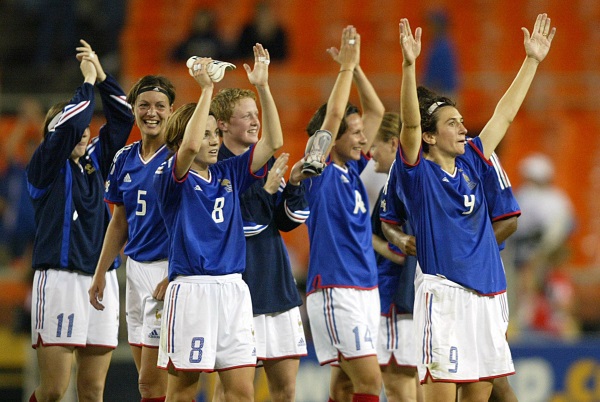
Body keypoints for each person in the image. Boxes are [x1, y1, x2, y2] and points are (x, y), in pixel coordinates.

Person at [393, 14, 555, 400]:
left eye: (462, 121)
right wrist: (409, 66)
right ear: (430, 136)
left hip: (487, 295)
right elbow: (410, 127)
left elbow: (505, 114)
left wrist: (531, 61)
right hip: (444, 296)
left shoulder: (474, 158)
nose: (463, 127)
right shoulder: (418, 174)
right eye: (452, 123)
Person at [153, 44, 283, 402]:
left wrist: (263, 86)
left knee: (242, 391)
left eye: (215, 133)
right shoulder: (171, 176)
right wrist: (207, 89)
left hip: (233, 290)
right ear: (181, 143)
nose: (213, 141)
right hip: (193, 289)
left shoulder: (228, 173)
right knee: (182, 391)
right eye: (207, 134)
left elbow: (273, 141)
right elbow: (191, 145)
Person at [26, 40, 134, 402]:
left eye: (89, 129)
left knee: (92, 391)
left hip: (99, 281)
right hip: (59, 280)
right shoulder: (44, 166)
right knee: (55, 390)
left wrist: (102, 77)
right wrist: (85, 85)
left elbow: (123, 118)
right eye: (79, 127)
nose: (87, 132)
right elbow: (71, 126)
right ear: (56, 133)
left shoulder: (94, 163)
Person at [295, 25, 385, 402]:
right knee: (370, 382)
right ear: (331, 140)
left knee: (346, 385)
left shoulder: (351, 171)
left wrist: (358, 67)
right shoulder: (317, 169)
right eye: (354, 133)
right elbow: (332, 115)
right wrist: (345, 68)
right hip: (335, 288)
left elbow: (378, 110)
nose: (363, 139)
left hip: (366, 287)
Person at [210, 77, 310, 400]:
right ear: (223, 124)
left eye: (257, 114)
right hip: (239, 290)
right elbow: (232, 228)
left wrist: (292, 185)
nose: (256, 121)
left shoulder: (265, 162)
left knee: (286, 389)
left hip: (276, 283)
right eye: (247, 115)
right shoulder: (213, 166)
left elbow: (284, 221)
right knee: (236, 393)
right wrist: (265, 192)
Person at [88, 75, 176, 402]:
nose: (151, 112)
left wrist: (176, 271)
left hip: (165, 272)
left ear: (172, 110)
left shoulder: (179, 159)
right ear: (134, 109)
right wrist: (100, 272)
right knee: (147, 383)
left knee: (155, 384)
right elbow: (118, 222)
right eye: (144, 105)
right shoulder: (124, 158)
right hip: (135, 270)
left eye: (159, 106)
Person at [369, 112, 423, 402]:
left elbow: (405, 251)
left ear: (392, 143)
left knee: (396, 383)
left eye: (374, 145)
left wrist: (365, 238)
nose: (370, 153)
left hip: (395, 297)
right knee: (412, 384)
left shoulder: (398, 187)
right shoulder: (408, 182)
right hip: (408, 298)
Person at [509, 153, 577, 338]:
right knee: (525, 303)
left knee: (553, 300)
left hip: (545, 255)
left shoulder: (556, 199)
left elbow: (568, 227)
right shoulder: (522, 196)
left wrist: (546, 253)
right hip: (522, 257)